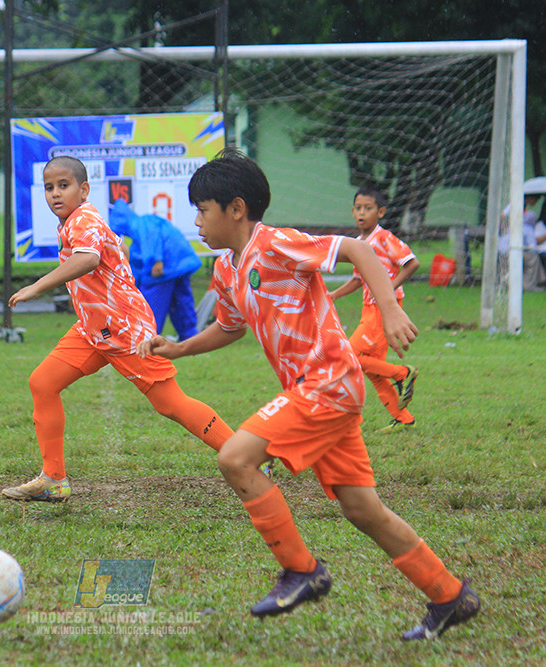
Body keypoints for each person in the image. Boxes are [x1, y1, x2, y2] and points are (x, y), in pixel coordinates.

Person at [139, 149, 480, 641]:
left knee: (236, 459)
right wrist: (179, 349)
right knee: (363, 510)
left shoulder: (278, 244)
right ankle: (450, 594)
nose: (196, 220)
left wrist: (389, 309)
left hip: (330, 384)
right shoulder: (228, 269)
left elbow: (360, 252)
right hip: (318, 393)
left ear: (236, 209)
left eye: (202, 209)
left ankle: (303, 571)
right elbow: (229, 327)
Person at [1, 155, 234, 502]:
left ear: (84, 190)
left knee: (170, 403)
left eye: (63, 186)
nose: (55, 194)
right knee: (43, 383)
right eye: (49, 188)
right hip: (93, 329)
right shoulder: (75, 222)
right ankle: (54, 479)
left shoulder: (84, 218)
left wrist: (37, 286)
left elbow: (89, 258)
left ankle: (245, 456)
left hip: (123, 328)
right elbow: (108, 252)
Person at [329, 187, 420, 434]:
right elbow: (359, 279)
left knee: (351, 357)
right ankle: (403, 419)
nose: (362, 213)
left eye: (368, 208)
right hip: (369, 308)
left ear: (380, 212)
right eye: (358, 208)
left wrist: (387, 291)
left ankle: (403, 373)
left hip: (383, 310)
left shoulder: (384, 238)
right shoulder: (359, 244)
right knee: (373, 370)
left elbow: (412, 263)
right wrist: (335, 294)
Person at [108, 198, 202, 340]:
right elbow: (135, 263)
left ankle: (147, 336)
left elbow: (152, 238)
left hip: (166, 266)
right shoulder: (140, 234)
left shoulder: (140, 224)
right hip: (181, 263)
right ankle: (191, 337)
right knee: (181, 301)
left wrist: (157, 260)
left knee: (151, 302)